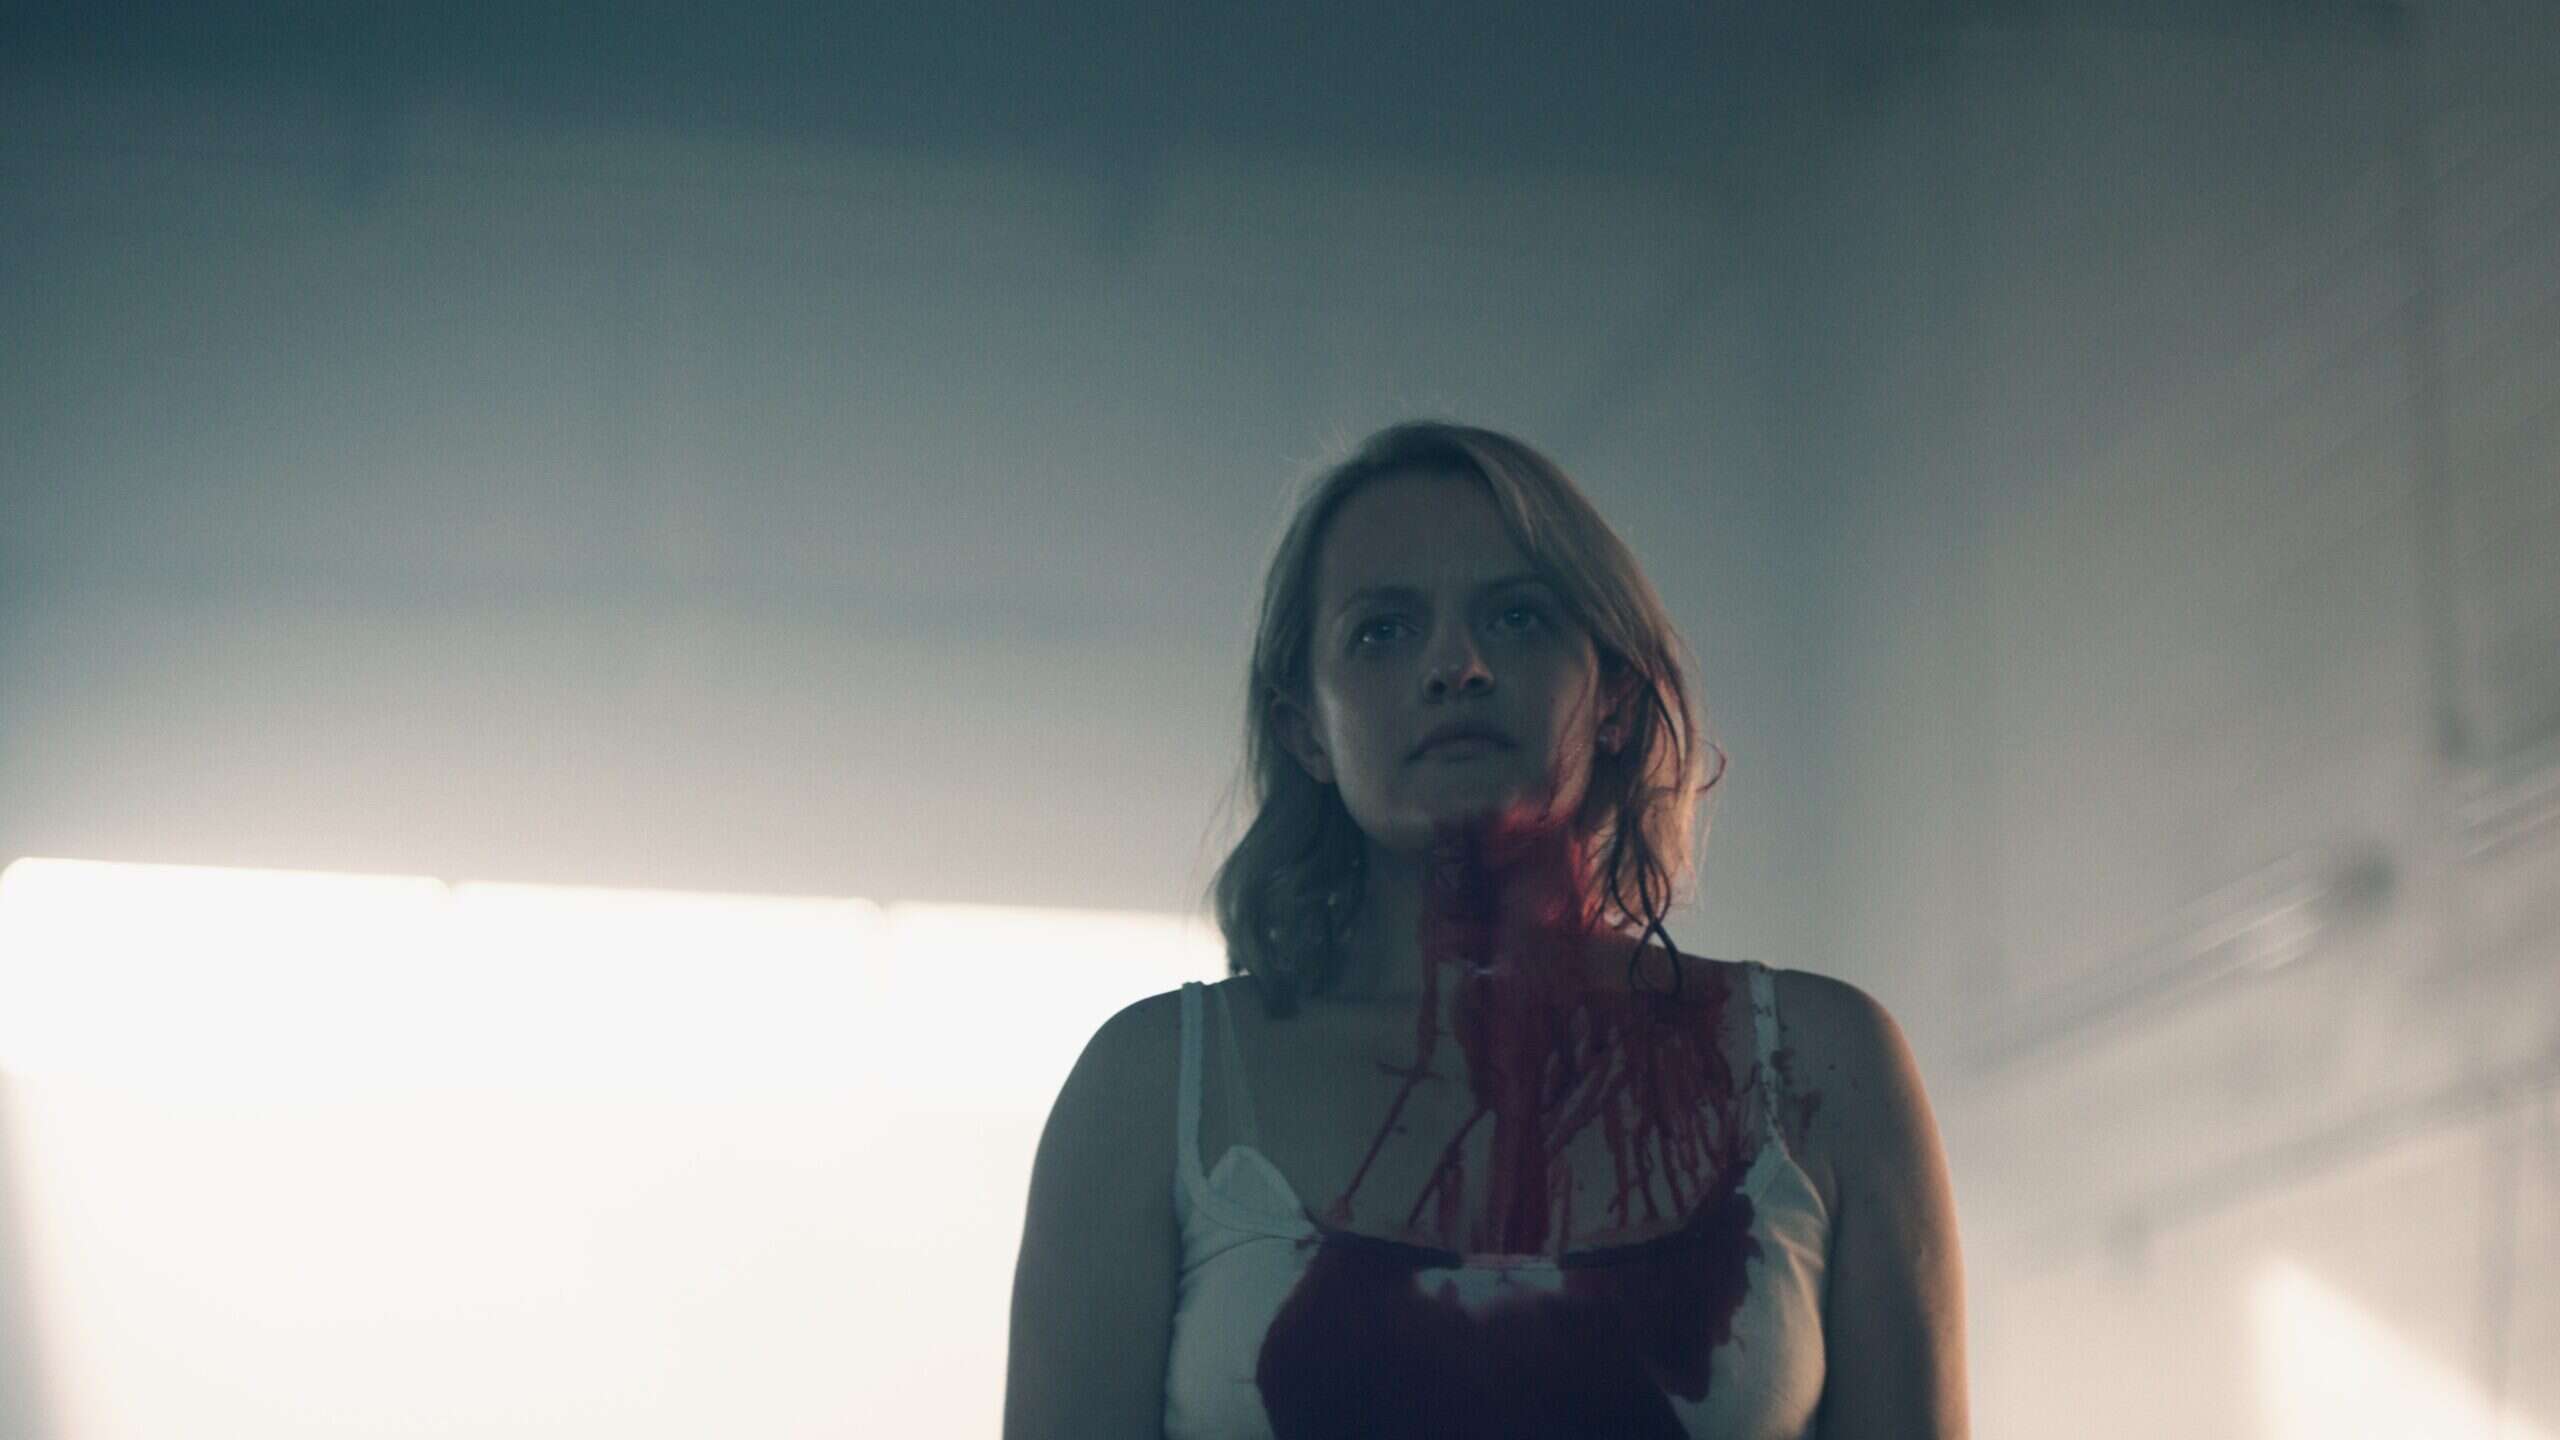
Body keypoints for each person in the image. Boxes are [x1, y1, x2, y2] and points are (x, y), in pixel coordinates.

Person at [1006, 422, 1967, 1438]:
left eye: (1516, 616)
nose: (1456, 665)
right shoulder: (1155, 1091)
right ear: (1305, 729)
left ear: (1614, 695)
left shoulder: (1820, 1069)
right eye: (1381, 631)